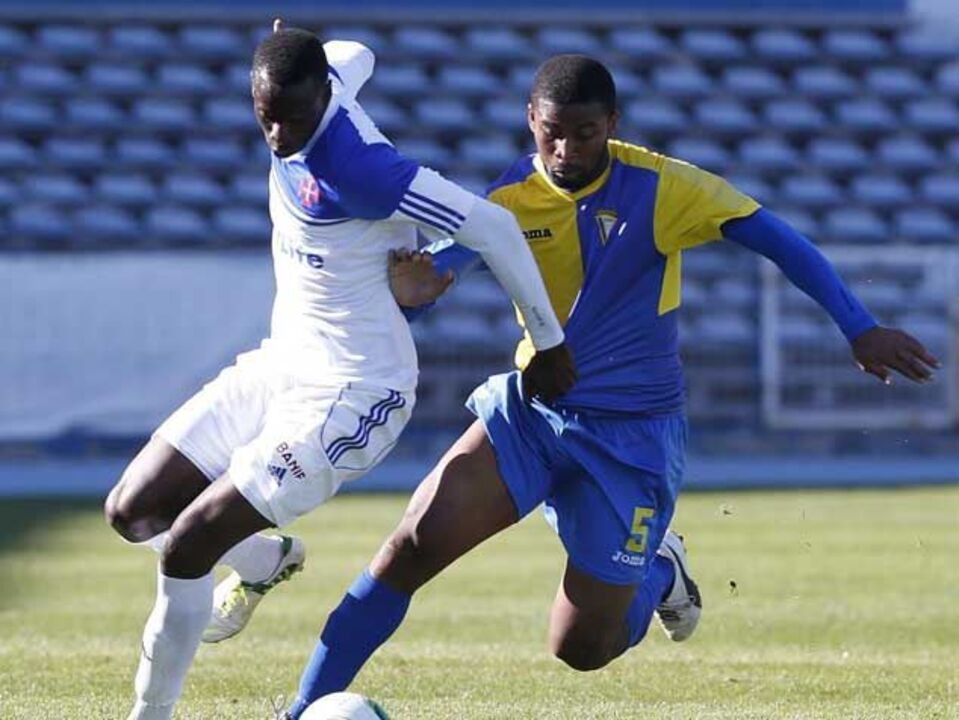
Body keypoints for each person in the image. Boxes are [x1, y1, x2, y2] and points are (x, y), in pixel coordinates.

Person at [280, 54, 940, 718]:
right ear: (529, 122)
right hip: (532, 417)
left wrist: (858, 326)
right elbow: (437, 276)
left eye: (585, 133)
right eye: (551, 133)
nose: (565, 150)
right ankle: (299, 710)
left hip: (631, 438)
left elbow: (777, 239)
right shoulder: (508, 199)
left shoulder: (661, 188)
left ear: (612, 124)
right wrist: (412, 297)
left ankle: (658, 574)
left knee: (580, 646)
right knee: (407, 549)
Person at [103, 22, 575, 720]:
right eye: (266, 117)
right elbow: (360, 53)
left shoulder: (359, 170)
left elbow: (495, 229)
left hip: (354, 393)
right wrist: (300, 39)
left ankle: (150, 714)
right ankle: (265, 562)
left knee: (191, 541)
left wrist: (548, 340)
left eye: (293, 119)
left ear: (323, 99)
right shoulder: (323, 83)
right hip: (282, 361)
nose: (278, 135)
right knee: (133, 511)